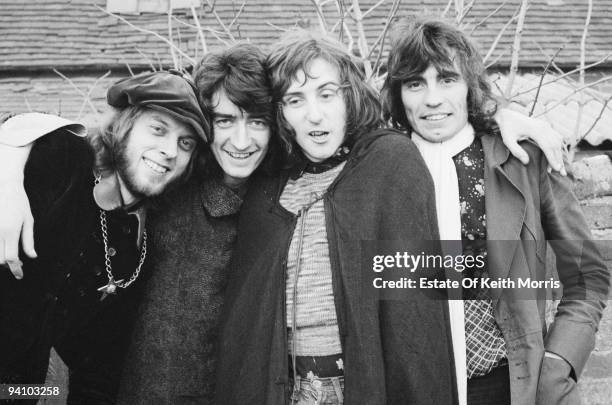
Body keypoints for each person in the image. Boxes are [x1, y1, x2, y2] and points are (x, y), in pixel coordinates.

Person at [215, 30, 457, 405]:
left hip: (360, 386)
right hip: (280, 387)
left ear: (349, 95)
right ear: (280, 111)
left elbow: (415, 320)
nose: (315, 114)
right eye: (295, 99)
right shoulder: (267, 182)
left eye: (326, 94)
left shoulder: (390, 163)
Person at [382, 16, 610, 405]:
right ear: (399, 94)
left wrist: (557, 362)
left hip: (509, 385)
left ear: (469, 85)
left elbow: (588, 275)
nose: (432, 98)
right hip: (412, 388)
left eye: (448, 79)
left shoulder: (523, 158)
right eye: (415, 83)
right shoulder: (380, 167)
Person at [0, 70, 208, 404]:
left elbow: (97, 367)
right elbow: (19, 127)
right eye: (158, 129)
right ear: (125, 126)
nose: (170, 150)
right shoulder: (62, 161)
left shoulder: (133, 249)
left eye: (186, 144)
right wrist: (7, 179)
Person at [115, 43, 277, 404]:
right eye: (224, 120)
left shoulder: (280, 203)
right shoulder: (168, 183)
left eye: (258, 121)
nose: (241, 141)